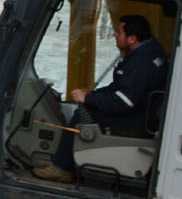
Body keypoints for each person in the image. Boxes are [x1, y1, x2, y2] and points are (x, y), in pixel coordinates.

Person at [36, 14, 170, 182]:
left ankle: (62, 168)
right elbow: (120, 87)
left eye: (118, 32)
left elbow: (123, 102)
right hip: (144, 112)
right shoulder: (150, 51)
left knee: (81, 115)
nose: (114, 35)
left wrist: (89, 100)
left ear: (132, 39)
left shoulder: (141, 64)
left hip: (137, 118)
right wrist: (93, 94)